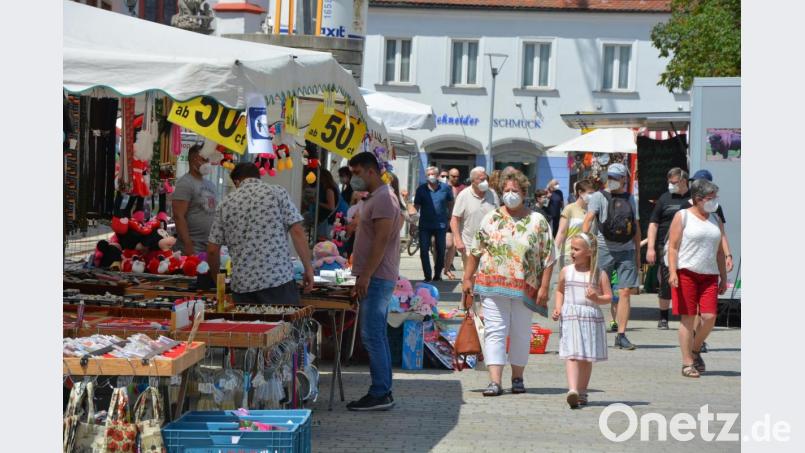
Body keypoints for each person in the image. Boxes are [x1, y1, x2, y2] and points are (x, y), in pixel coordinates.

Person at [463, 170, 555, 397]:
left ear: (524, 193)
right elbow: (476, 250)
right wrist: (467, 278)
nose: (510, 195)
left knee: (521, 332)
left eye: (515, 191)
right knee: (495, 331)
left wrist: (544, 287)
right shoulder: (491, 218)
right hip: (492, 284)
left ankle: (517, 377)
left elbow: (549, 256)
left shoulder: (538, 221)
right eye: (506, 191)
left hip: (526, 287)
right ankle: (495, 381)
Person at [206, 163, 314, 305]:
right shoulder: (277, 193)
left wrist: (216, 280)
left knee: (252, 327)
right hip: (277, 281)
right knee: (283, 326)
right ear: (259, 176)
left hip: (243, 287)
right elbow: (297, 231)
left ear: (237, 181)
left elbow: (213, 250)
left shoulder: (225, 204)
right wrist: (308, 269)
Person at [346, 152, 402, 411]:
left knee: (373, 335)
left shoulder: (383, 199)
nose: (353, 178)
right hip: (374, 276)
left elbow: (381, 241)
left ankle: (380, 392)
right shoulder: (379, 197)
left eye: (356, 172)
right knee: (374, 334)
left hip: (378, 277)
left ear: (370, 171)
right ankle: (383, 390)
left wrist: (366, 275)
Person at [666, 179, 728, 378]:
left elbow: (719, 250)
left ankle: (695, 349)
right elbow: (673, 247)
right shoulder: (682, 216)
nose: (714, 201)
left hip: (709, 274)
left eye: (715, 197)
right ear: (698, 199)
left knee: (710, 317)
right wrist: (673, 272)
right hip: (686, 272)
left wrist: (724, 276)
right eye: (710, 198)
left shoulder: (715, 219)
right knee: (688, 318)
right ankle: (687, 363)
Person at [582, 163, 640, 350]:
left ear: (625, 179)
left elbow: (636, 226)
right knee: (594, 289)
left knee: (624, 292)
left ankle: (621, 334)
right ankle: (588, 328)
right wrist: (585, 245)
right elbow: (589, 219)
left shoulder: (631, 198)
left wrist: (638, 254)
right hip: (603, 247)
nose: (612, 180)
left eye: (617, 177)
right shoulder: (598, 196)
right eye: (611, 177)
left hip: (626, 249)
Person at [552, 232, 611, 408]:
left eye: (576, 249)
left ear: (589, 252)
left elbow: (608, 296)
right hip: (570, 316)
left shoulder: (598, 274)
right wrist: (558, 307)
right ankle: (573, 390)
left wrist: (597, 298)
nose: (572, 252)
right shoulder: (566, 271)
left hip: (590, 317)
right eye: (571, 248)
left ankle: (583, 391)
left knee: (585, 357)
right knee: (572, 354)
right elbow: (560, 290)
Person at [172, 144, 218, 255]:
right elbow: (178, 216)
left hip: (209, 247)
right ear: (194, 159)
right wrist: (188, 245)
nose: (207, 162)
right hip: (191, 248)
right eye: (204, 159)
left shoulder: (211, 185)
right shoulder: (185, 183)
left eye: (208, 159)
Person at [450, 166, 498, 270]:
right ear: (473, 181)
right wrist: (458, 240)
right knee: (470, 276)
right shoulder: (463, 195)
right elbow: (455, 219)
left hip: (490, 244)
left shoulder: (492, 194)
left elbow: (500, 217)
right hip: (469, 244)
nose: (485, 182)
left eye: (486, 179)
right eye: (481, 179)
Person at [414, 166, 454, 282]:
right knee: (424, 250)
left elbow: (451, 202)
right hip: (424, 225)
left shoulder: (445, 188)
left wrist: (449, 217)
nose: (431, 176)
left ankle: (437, 275)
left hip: (441, 224)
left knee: (441, 250)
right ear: (426, 176)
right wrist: (412, 222)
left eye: (433, 174)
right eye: (428, 174)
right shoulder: (421, 189)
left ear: (437, 176)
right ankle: (427, 276)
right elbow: (416, 206)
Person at [555, 179, 596, 268]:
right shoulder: (569, 208)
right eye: (590, 193)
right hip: (569, 255)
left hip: (586, 255)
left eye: (594, 193)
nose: (592, 196)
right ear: (580, 192)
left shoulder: (592, 210)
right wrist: (554, 251)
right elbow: (561, 232)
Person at [443, 168, 467, 279]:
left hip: (456, 220)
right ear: (449, 176)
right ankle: (440, 267)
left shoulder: (462, 188)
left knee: (451, 246)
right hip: (443, 219)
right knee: (437, 245)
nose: (456, 178)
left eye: (457, 176)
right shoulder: (443, 187)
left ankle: (447, 268)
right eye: (453, 176)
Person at [315, 169, 340, 241]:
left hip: (327, 221)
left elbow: (331, 207)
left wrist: (317, 202)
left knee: (323, 241)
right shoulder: (332, 188)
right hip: (327, 221)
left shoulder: (329, 189)